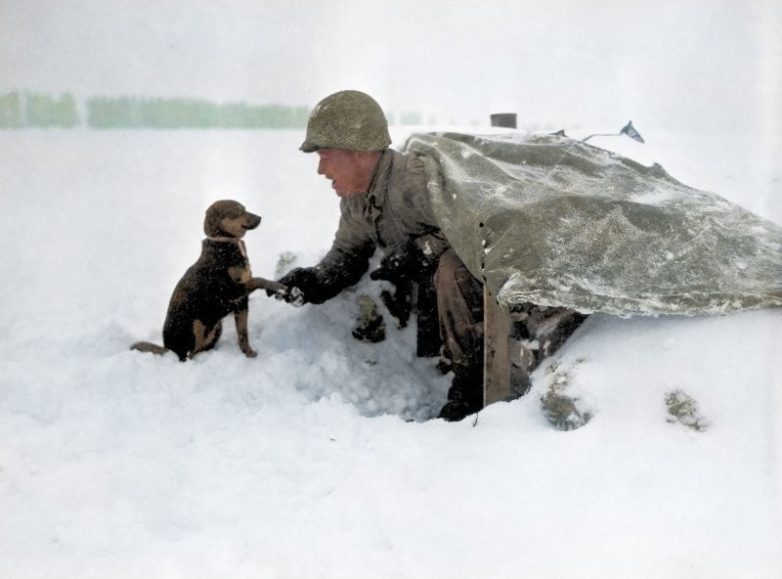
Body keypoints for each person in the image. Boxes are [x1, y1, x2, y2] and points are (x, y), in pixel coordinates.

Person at [274, 90, 492, 421]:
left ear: (360, 153)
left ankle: (474, 387)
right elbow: (350, 252)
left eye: (326, 156)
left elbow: (474, 231)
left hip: (481, 287)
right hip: (436, 302)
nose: (321, 170)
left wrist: (420, 251)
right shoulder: (357, 199)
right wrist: (317, 281)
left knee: (451, 267)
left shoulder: (416, 182)